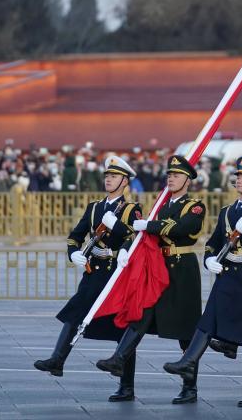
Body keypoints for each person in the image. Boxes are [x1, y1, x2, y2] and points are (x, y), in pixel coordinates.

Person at [163, 156, 242, 407]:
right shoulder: (228, 211)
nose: (239, 180)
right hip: (228, 272)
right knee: (208, 320)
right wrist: (209, 259)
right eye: (237, 176)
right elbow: (213, 243)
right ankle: (188, 362)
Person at [94, 155, 206, 404]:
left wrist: (149, 225)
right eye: (169, 175)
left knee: (186, 330)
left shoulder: (194, 205)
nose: (171, 178)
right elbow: (147, 230)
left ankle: (190, 387)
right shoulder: (161, 206)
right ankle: (119, 361)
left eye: (176, 175)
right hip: (158, 267)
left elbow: (180, 227)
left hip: (182, 269)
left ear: (187, 180)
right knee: (141, 313)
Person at [34, 156, 142, 381]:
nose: (109, 180)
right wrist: (74, 253)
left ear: (124, 181)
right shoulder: (95, 208)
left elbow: (135, 237)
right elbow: (75, 236)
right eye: (107, 176)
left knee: (121, 325)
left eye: (114, 177)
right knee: (75, 312)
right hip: (94, 271)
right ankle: (57, 360)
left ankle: (126, 385)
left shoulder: (132, 209)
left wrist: (118, 228)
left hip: (116, 273)